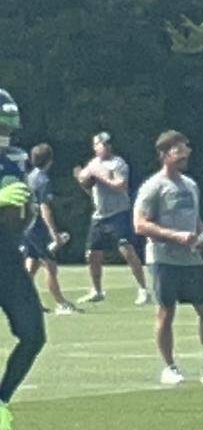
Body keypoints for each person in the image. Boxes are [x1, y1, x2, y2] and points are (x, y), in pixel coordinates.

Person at [133, 130, 203, 385]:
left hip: (191, 260)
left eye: (186, 149)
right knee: (165, 312)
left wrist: (202, 236)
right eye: (178, 150)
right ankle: (169, 367)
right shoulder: (153, 187)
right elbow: (140, 224)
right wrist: (175, 236)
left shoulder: (191, 185)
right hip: (163, 259)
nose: (185, 154)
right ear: (164, 155)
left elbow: (195, 218)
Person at [0, 88, 47, 430]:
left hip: (6, 257)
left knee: (33, 334)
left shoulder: (14, 161)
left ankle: (0, 402)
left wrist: (26, 214)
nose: (7, 136)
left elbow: (24, 214)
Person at [74, 131, 152, 305]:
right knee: (92, 254)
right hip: (99, 215)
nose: (103, 147)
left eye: (104, 144)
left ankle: (143, 290)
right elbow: (87, 183)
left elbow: (120, 185)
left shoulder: (118, 163)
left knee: (127, 249)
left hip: (118, 213)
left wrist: (99, 176)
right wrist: (82, 179)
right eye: (99, 144)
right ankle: (97, 290)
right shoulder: (93, 163)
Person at [21, 144, 81, 314]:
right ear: (50, 160)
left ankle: (29, 303)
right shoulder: (43, 180)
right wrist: (54, 234)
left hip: (26, 227)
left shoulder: (28, 177)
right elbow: (44, 208)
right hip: (37, 229)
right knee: (50, 266)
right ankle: (61, 303)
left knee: (31, 266)